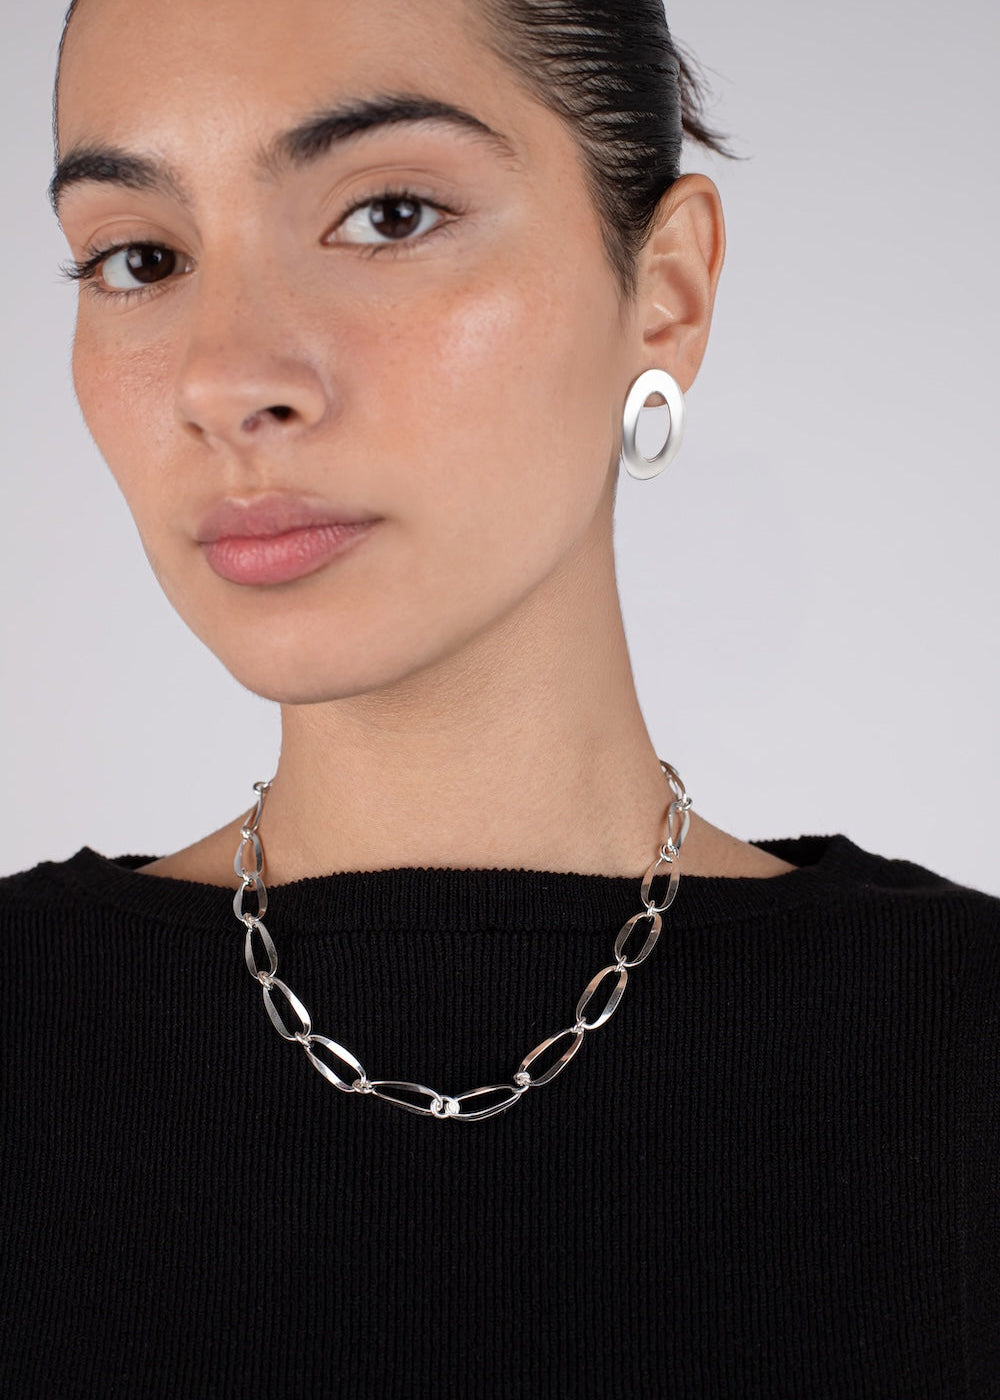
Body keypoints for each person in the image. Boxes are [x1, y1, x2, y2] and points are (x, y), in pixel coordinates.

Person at [2, 0, 997, 1395]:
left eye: (391, 214)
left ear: (665, 290)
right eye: (139, 255)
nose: (227, 378)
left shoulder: (960, 1055)